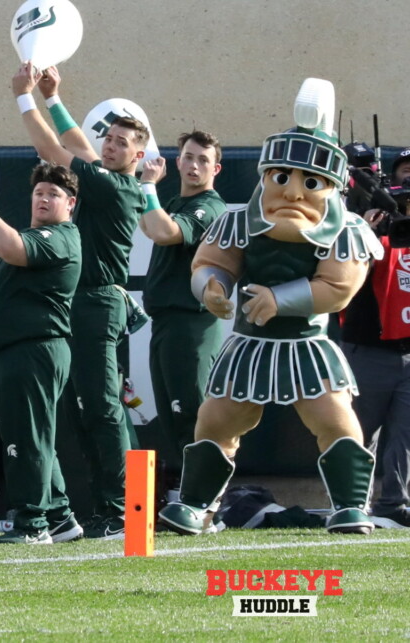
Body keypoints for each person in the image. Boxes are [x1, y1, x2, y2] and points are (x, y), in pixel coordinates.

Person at [158, 80, 383, 536]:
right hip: (250, 344)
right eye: (282, 177)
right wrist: (212, 288)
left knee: (335, 419)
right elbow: (210, 263)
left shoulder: (347, 230)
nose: (294, 191)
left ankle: (349, 506)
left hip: (305, 344)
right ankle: (197, 504)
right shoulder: (238, 220)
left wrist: (280, 299)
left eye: (311, 181)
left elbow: (338, 288)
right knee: (216, 419)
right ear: (265, 176)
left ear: (332, 187)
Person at [13, 62, 147, 538]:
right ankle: (92, 509)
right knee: (80, 409)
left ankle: (124, 511)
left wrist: (23, 96)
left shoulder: (115, 186)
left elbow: (54, 149)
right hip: (79, 302)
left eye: (121, 143)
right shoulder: (109, 175)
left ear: (139, 154)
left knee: (104, 407)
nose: (109, 146)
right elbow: (78, 146)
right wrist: (52, 97)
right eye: (108, 139)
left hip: (96, 303)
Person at [0, 165, 84, 545]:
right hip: (20, 351)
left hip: (33, 348)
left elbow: (10, 247)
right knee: (36, 436)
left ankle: (33, 523)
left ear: (70, 203)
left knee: (27, 438)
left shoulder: (60, 236)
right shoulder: (33, 236)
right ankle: (60, 516)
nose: (44, 198)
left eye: (53, 194)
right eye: (39, 192)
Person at [138, 131, 227, 487]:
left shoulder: (210, 205)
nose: (194, 165)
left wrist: (146, 186)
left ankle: (207, 499)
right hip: (165, 322)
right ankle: (190, 494)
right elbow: (148, 224)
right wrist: (138, 184)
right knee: (171, 413)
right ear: (177, 162)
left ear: (216, 168)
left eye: (203, 160)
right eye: (188, 157)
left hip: (191, 323)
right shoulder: (175, 200)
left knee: (192, 411)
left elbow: (164, 232)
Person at [340, 148, 410, 528]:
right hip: (368, 348)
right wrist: (368, 228)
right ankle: (353, 502)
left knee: (405, 436)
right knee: (358, 430)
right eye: (404, 175)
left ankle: (396, 503)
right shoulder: (364, 222)